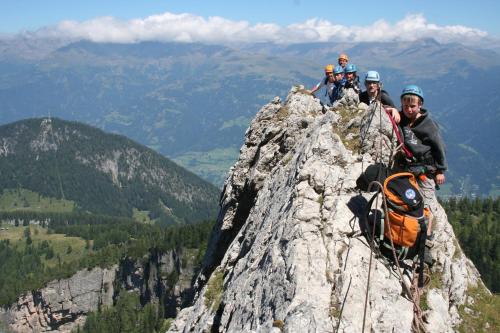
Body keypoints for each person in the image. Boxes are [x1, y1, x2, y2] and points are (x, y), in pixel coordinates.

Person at [394, 85, 447, 238]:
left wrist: (440, 170)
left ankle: (426, 234)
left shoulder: (428, 125)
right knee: (408, 198)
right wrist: (392, 110)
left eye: (412, 106)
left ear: (420, 105)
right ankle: (409, 229)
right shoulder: (402, 118)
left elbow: (439, 147)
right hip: (408, 168)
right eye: (405, 106)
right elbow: (385, 105)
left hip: (426, 170)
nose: (409, 109)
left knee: (426, 202)